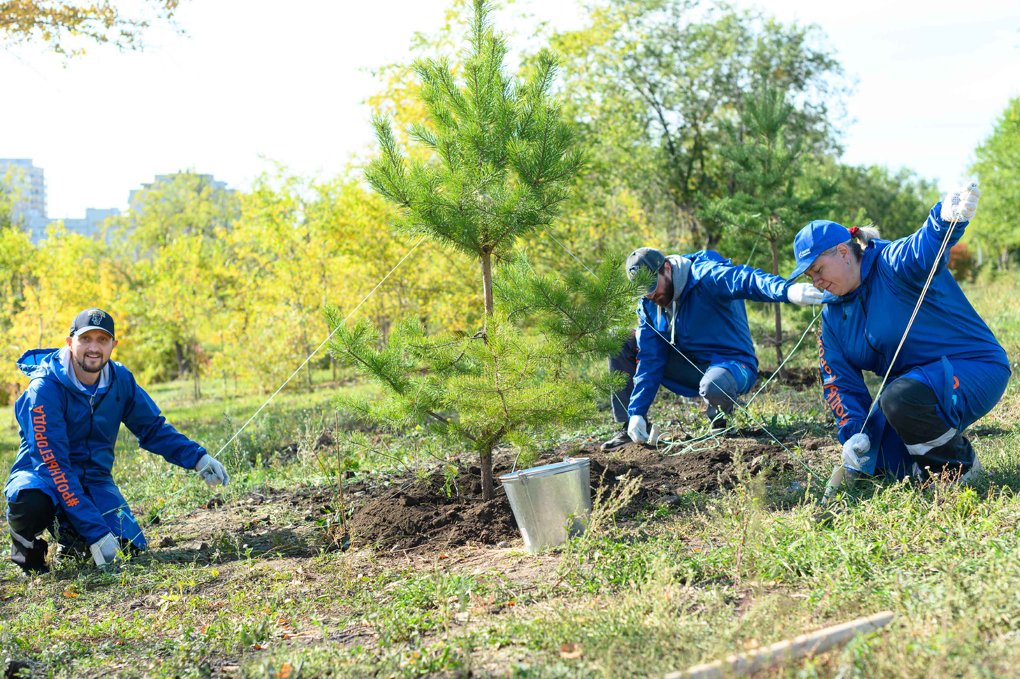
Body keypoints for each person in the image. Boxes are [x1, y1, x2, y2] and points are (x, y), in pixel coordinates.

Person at [787, 182, 1010, 492]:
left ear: (842, 252)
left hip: (974, 368)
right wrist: (854, 433)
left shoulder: (891, 263)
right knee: (883, 467)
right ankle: (924, 471)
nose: (817, 281)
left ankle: (962, 470)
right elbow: (838, 380)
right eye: (810, 276)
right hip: (913, 388)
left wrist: (944, 218)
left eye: (818, 269)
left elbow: (924, 247)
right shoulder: (832, 316)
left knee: (899, 397)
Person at [4, 308, 229, 575]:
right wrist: (97, 533)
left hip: (94, 480)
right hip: (43, 476)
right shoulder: (44, 389)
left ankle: (73, 542)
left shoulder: (120, 380)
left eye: (102, 339)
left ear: (113, 345)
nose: (93, 347)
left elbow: (153, 428)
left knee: (129, 550)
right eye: (86, 339)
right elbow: (53, 465)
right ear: (69, 342)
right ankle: (26, 551)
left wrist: (198, 458)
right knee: (31, 502)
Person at [601, 247, 825, 449]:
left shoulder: (706, 275)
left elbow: (746, 279)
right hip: (690, 367)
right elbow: (651, 359)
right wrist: (636, 411)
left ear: (666, 268)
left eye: (652, 286)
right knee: (621, 339)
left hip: (734, 365)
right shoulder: (649, 304)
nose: (651, 295)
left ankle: (721, 417)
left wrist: (787, 291)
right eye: (644, 291)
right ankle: (630, 428)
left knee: (714, 385)